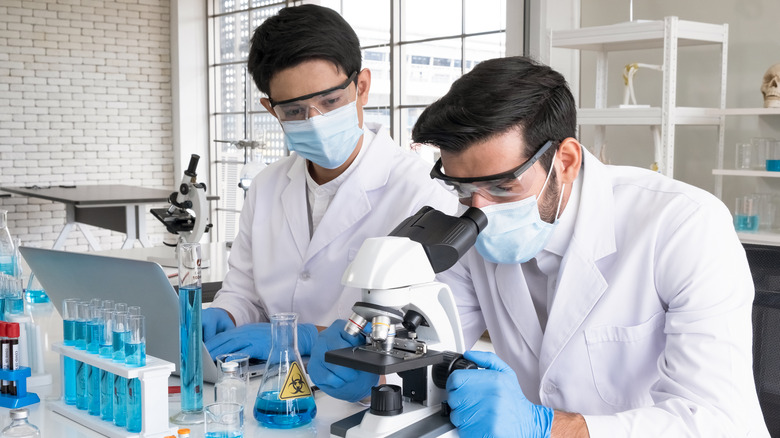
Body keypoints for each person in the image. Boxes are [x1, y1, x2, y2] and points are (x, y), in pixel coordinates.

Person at [309, 56, 769, 437]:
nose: (480, 209)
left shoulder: (683, 225)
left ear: (564, 161)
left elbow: (719, 422)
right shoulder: (471, 229)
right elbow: (436, 346)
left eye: (503, 187)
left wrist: (546, 426)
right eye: (462, 189)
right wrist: (374, 373)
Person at [202, 4, 456, 368]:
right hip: (267, 385)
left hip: (363, 391)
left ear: (362, 87)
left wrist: (305, 336)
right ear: (271, 110)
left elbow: (420, 335)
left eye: (330, 101)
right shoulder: (266, 187)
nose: (315, 121)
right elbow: (244, 292)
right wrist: (225, 314)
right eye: (294, 111)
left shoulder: (422, 195)